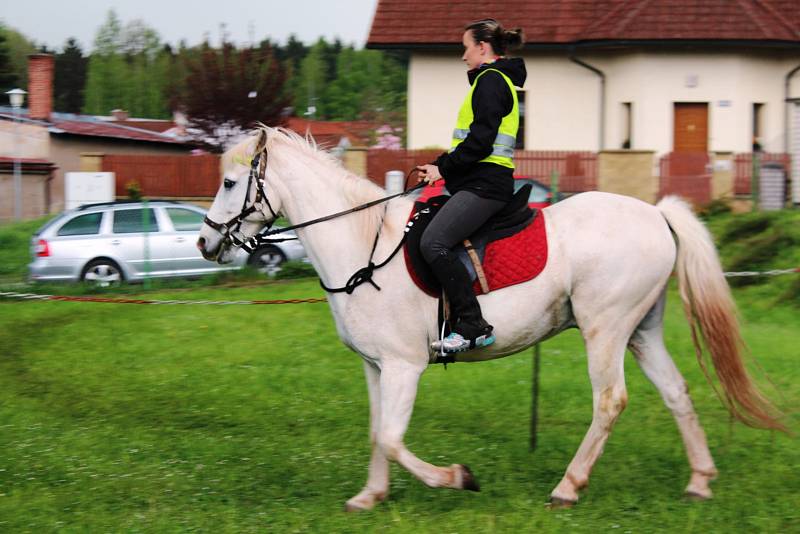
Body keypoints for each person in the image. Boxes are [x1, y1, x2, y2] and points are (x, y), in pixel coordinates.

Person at [416, 18, 526, 353]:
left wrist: (443, 169)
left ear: (482, 47)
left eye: (466, 47)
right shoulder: (491, 81)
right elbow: (472, 142)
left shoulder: (491, 81)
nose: (463, 56)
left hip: (485, 186)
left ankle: (472, 326)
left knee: (433, 242)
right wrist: (439, 165)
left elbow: (479, 144)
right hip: (480, 181)